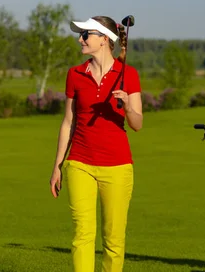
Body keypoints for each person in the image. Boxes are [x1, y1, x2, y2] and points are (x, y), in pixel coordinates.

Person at [50, 16, 143, 272]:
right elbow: (68, 122)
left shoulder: (128, 75)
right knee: (82, 234)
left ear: (104, 39)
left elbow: (137, 123)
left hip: (118, 166)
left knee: (113, 239)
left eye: (85, 34)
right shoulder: (75, 74)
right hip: (80, 163)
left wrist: (126, 105)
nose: (80, 39)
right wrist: (58, 166)